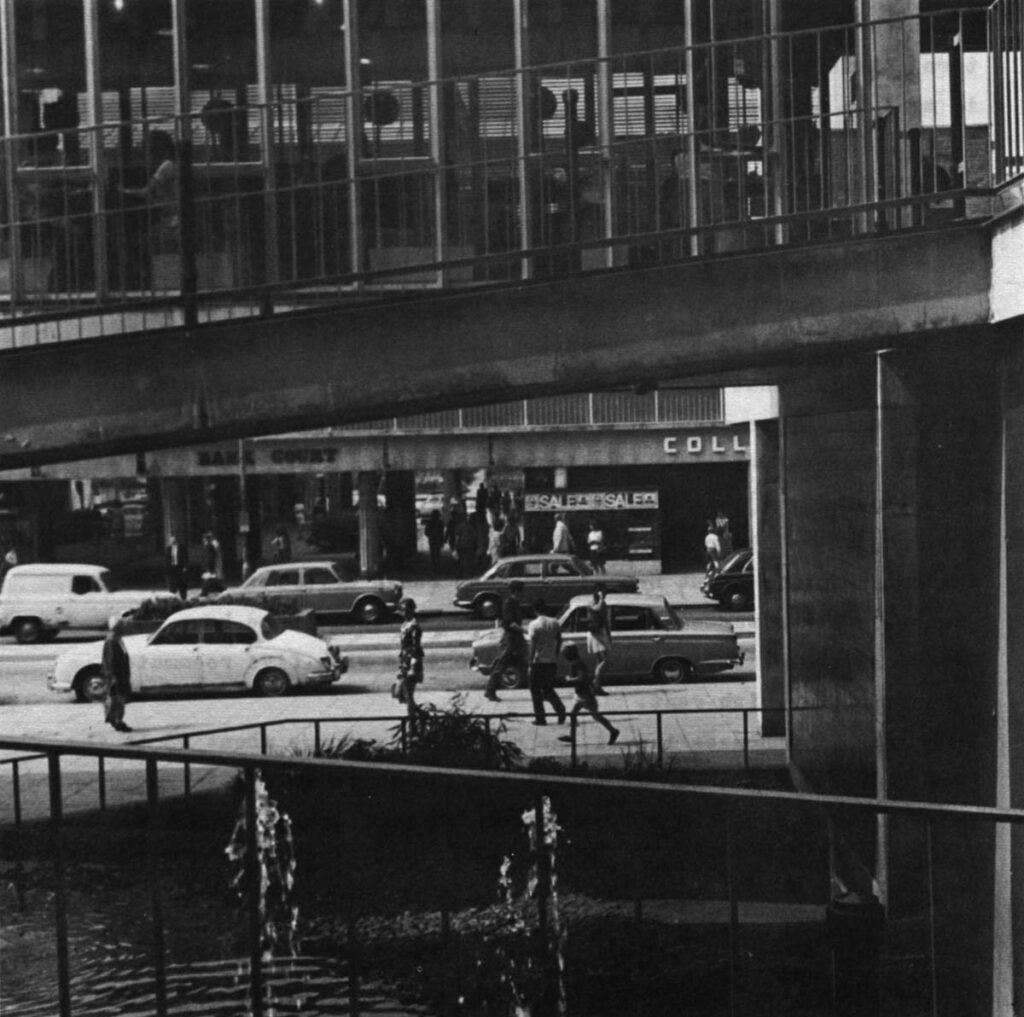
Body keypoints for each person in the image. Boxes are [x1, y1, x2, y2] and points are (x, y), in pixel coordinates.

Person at [562, 643, 619, 745]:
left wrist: (570, 679)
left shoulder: (577, 664)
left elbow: (583, 677)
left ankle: (613, 731)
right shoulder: (577, 663)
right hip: (580, 694)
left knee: (596, 715)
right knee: (573, 714)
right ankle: (572, 736)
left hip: (585, 695)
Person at [526, 598, 567, 726]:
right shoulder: (555, 622)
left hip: (538, 661)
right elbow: (559, 639)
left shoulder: (534, 624)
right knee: (548, 688)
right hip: (551, 661)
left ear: (535, 610)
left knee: (535, 690)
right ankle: (560, 710)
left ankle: (540, 717)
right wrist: (556, 653)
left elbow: (533, 645)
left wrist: (530, 662)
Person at [486, 579, 527, 702]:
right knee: (502, 664)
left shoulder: (515, 602)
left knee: (523, 663)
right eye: (523, 591)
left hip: (517, 638)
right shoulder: (509, 603)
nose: (524, 593)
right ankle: (490, 690)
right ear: (517, 591)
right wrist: (525, 630)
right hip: (511, 638)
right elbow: (511, 623)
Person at [101, 614, 132, 733]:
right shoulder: (112, 640)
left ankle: (116, 719)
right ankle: (117, 721)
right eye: (121, 626)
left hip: (121, 675)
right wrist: (113, 677)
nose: (124, 628)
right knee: (117, 699)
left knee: (119, 699)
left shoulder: (118, 639)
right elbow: (110, 660)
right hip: (116, 676)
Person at [395, 597, 424, 720]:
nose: (404, 613)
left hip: (412, 663)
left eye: (407, 610)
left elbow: (415, 648)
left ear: (412, 610)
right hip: (404, 662)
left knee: (408, 695)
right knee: (399, 693)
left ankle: (413, 722)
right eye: (402, 610)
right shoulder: (404, 625)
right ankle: (421, 715)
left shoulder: (414, 627)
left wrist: (412, 667)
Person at [585, 584, 612, 695]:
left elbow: (606, 620)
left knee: (599, 660)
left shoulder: (602, 603)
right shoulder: (592, 603)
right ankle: (595, 683)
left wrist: (609, 635)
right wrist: (601, 598)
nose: (605, 595)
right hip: (596, 633)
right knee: (603, 660)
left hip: (600, 632)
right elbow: (597, 609)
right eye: (603, 593)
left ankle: (598, 685)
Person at [200, 531, 224, 595]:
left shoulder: (210, 546)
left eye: (205, 540)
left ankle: (204, 592)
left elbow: (210, 557)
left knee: (207, 579)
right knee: (210, 579)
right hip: (209, 566)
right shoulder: (208, 546)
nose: (204, 541)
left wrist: (209, 566)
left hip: (210, 566)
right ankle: (219, 589)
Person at [165, 533, 189, 600]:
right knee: (172, 584)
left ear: (176, 540)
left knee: (182, 584)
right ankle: (173, 598)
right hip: (172, 568)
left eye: (174, 541)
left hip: (180, 567)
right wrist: (167, 569)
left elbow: (185, 558)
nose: (173, 542)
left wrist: (185, 567)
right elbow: (167, 560)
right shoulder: (168, 549)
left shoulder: (181, 548)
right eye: (171, 541)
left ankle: (183, 597)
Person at [424, 509, 445, 573]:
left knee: (434, 554)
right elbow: (441, 533)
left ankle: (435, 566)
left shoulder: (430, 523)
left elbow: (426, 532)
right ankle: (437, 566)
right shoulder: (440, 522)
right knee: (437, 554)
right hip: (436, 540)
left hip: (433, 540)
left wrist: (430, 535)